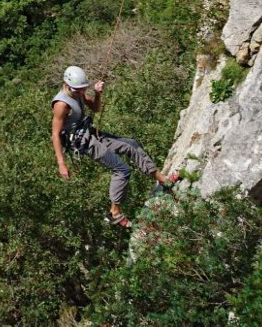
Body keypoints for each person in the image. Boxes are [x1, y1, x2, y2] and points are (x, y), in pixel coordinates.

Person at [51, 65, 178, 227]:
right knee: (122, 169)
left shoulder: (78, 92)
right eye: (79, 90)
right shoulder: (61, 104)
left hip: (90, 133)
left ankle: (163, 181)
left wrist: (97, 94)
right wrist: (61, 163)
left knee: (131, 145)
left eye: (84, 89)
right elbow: (55, 134)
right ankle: (114, 212)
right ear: (67, 85)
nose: (82, 93)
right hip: (83, 143)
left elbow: (95, 108)